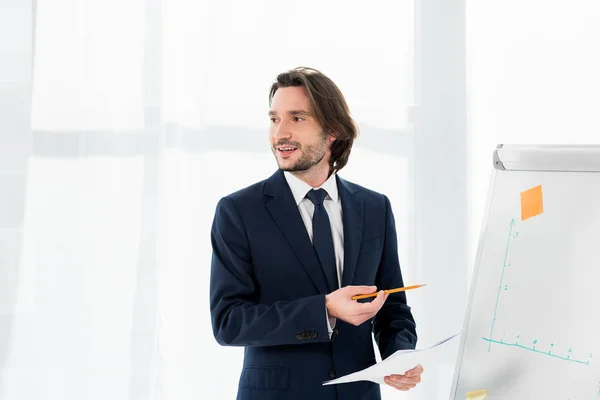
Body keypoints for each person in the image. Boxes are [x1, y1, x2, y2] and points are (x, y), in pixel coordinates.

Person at [209, 66, 422, 400]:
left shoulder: (374, 207)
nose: (280, 133)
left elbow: (392, 306)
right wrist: (324, 309)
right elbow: (228, 322)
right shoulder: (239, 211)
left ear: (333, 130)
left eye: (297, 118)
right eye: (274, 118)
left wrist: (401, 354)